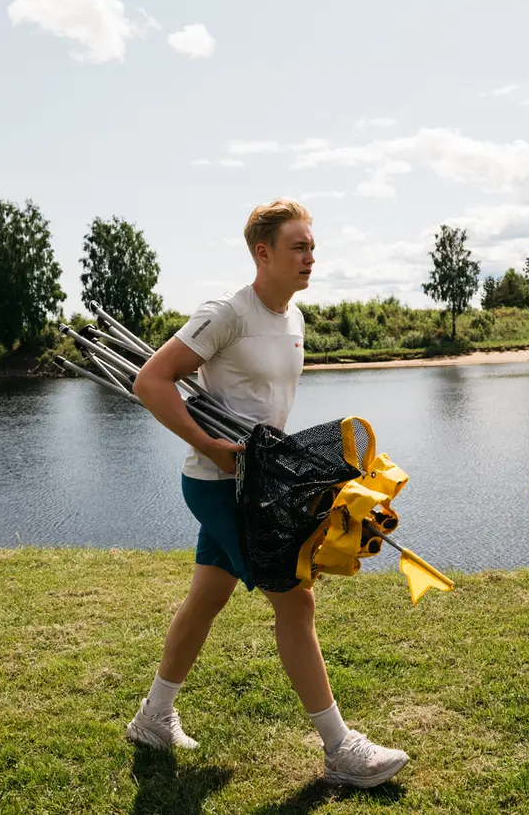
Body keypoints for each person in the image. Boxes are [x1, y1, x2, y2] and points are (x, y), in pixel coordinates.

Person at [124, 198, 410, 788]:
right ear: (263, 253)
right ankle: (340, 749)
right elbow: (150, 381)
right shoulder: (226, 314)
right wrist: (206, 443)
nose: (310, 257)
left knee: (207, 596)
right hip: (217, 486)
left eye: (312, 246)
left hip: (262, 488)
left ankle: (153, 717)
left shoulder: (294, 319)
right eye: (298, 247)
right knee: (296, 599)